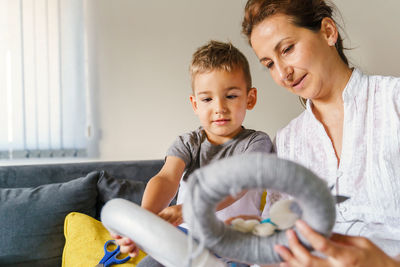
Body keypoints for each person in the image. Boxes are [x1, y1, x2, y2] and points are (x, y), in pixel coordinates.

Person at [241, 0, 400, 266]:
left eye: (288, 49)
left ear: (328, 32)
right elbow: (279, 234)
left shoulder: (394, 102)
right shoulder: (287, 141)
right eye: (269, 64)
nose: (282, 73)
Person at [111, 40, 276, 267]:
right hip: (184, 244)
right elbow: (167, 178)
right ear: (195, 104)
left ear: (250, 98)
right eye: (207, 99)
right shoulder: (188, 142)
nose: (219, 107)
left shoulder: (257, 142)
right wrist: (142, 221)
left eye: (231, 96)